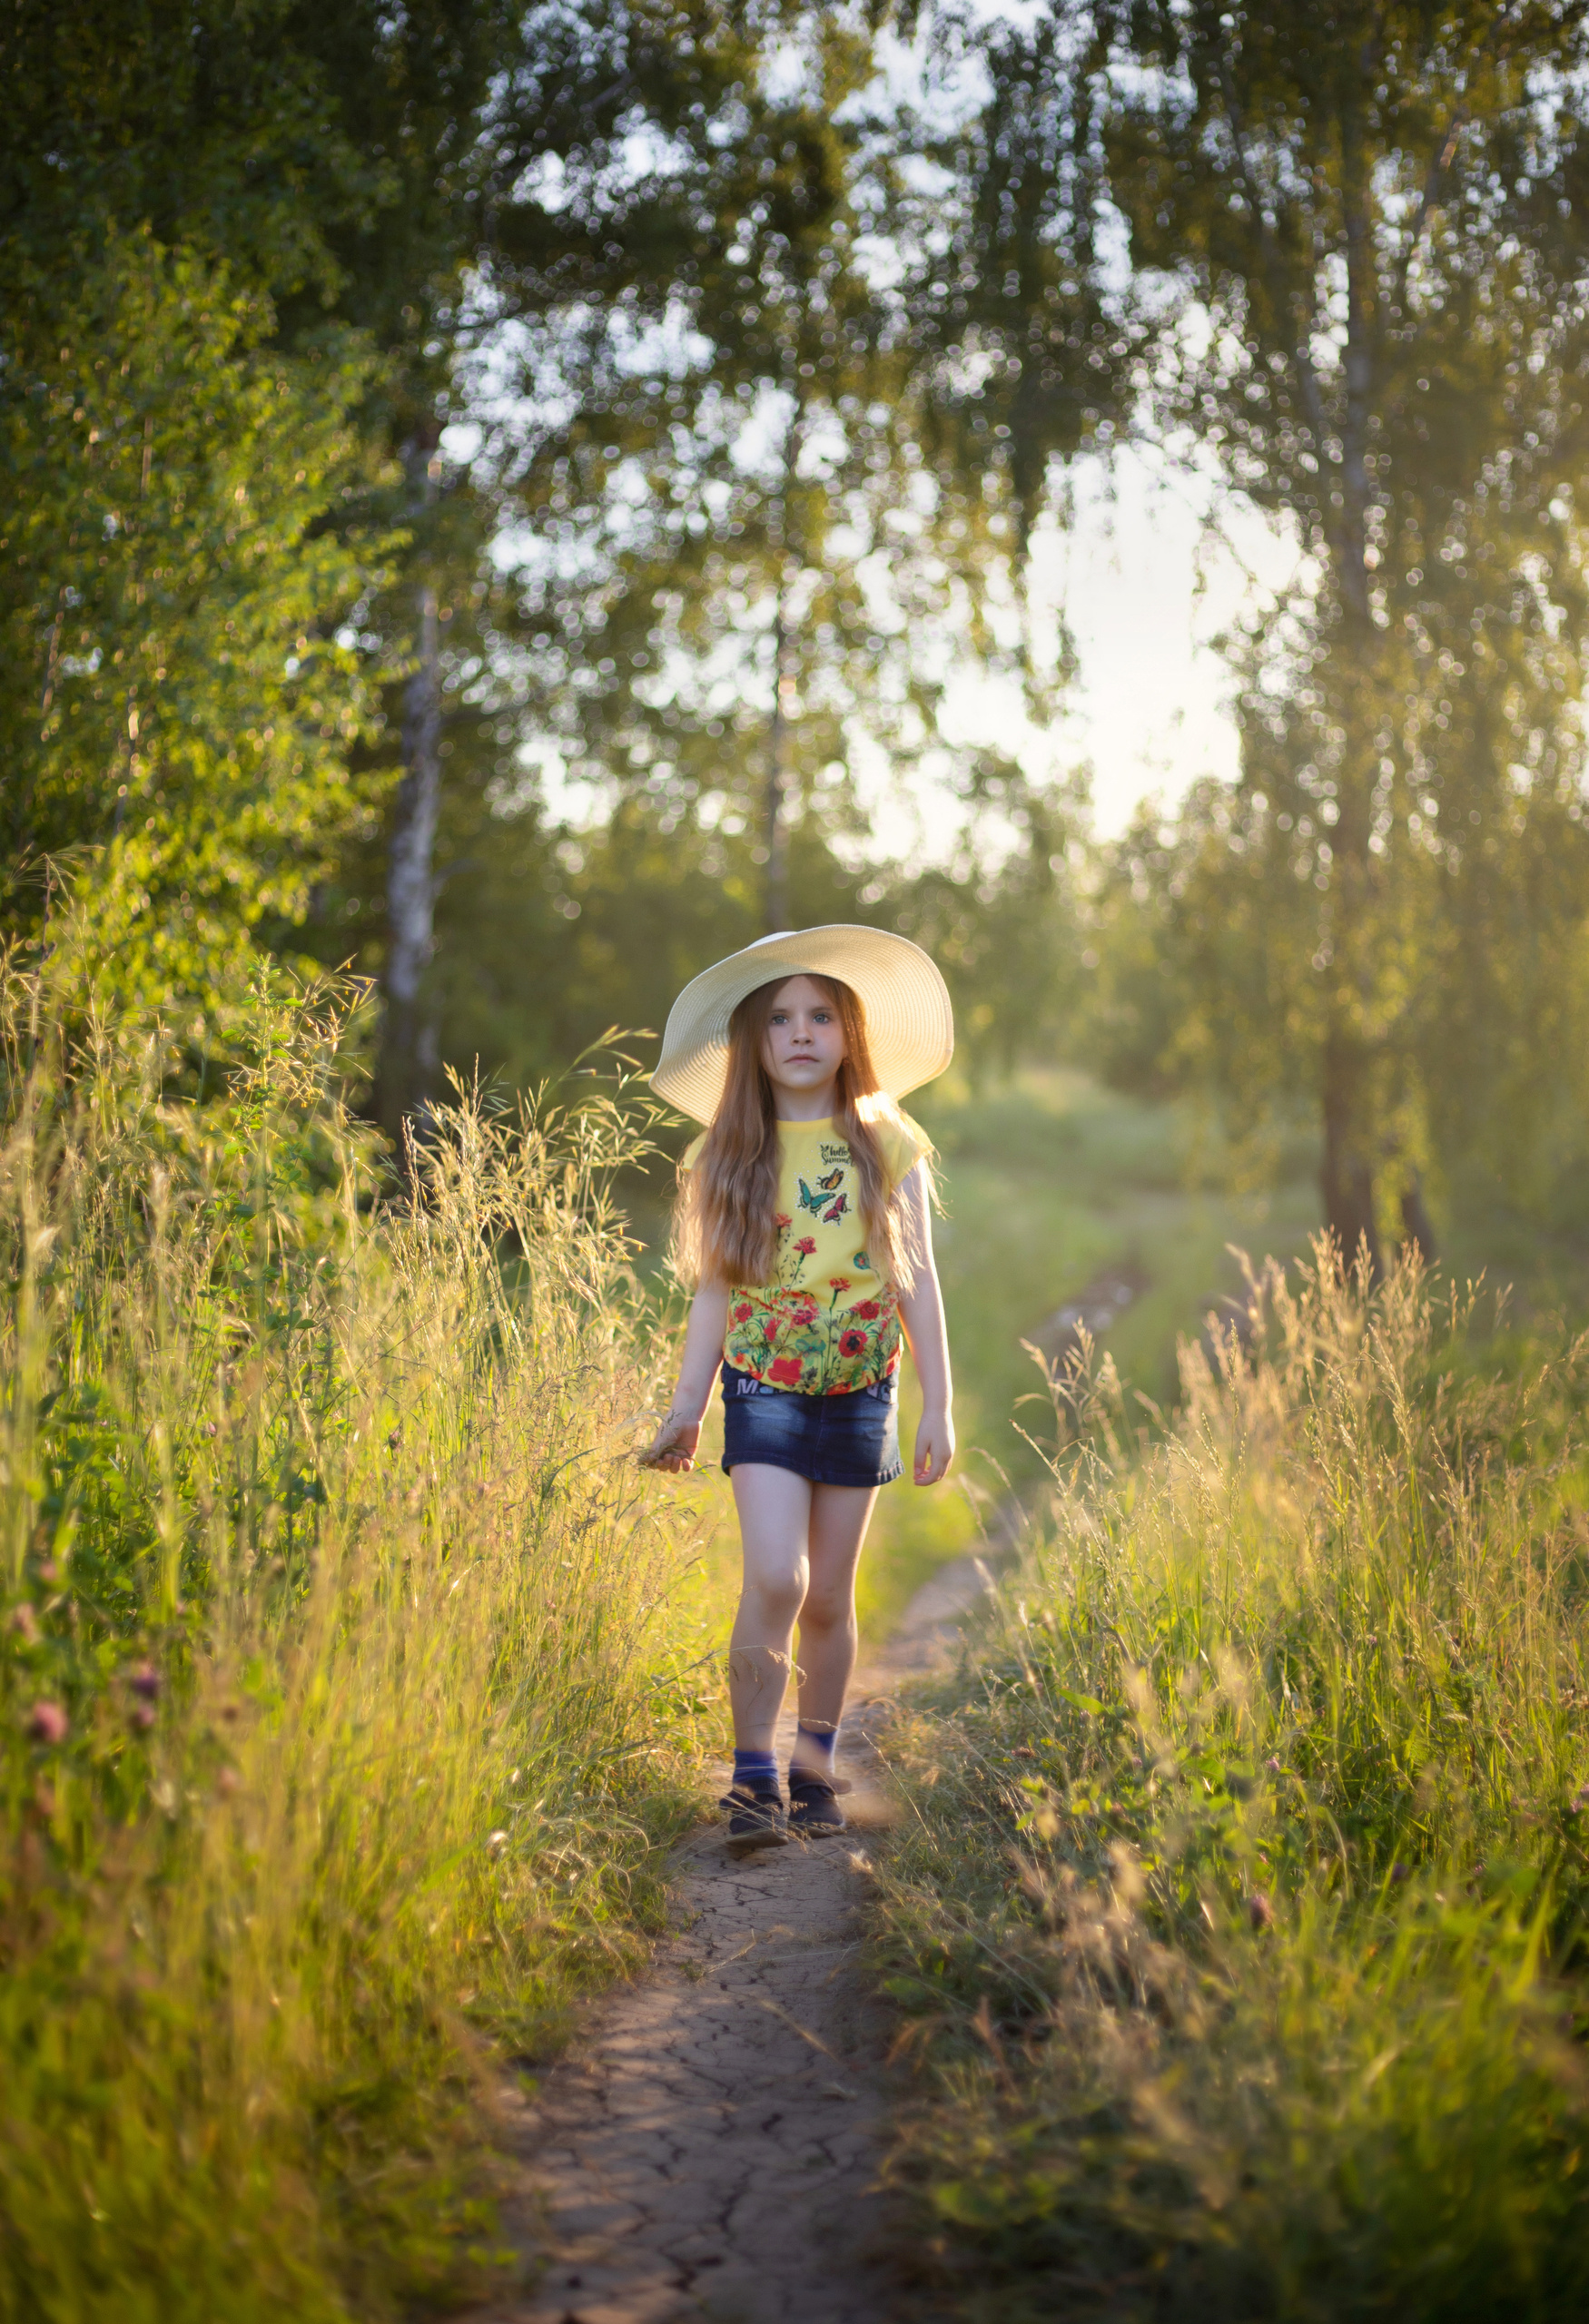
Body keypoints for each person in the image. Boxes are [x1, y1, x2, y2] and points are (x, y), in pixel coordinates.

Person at [641, 927, 955, 1856]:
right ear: (754, 1041)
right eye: (780, 1019)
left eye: (820, 1015)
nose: (802, 1033)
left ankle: (814, 1767)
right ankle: (752, 1775)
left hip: (862, 1390)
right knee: (780, 1577)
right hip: (762, 1388)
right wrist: (688, 1405)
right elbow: (714, 1290)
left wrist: (938, 1403)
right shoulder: (729, 1151)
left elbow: (917, 1280)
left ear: (849, 1031)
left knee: (828, 1600)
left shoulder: (886, 1140)